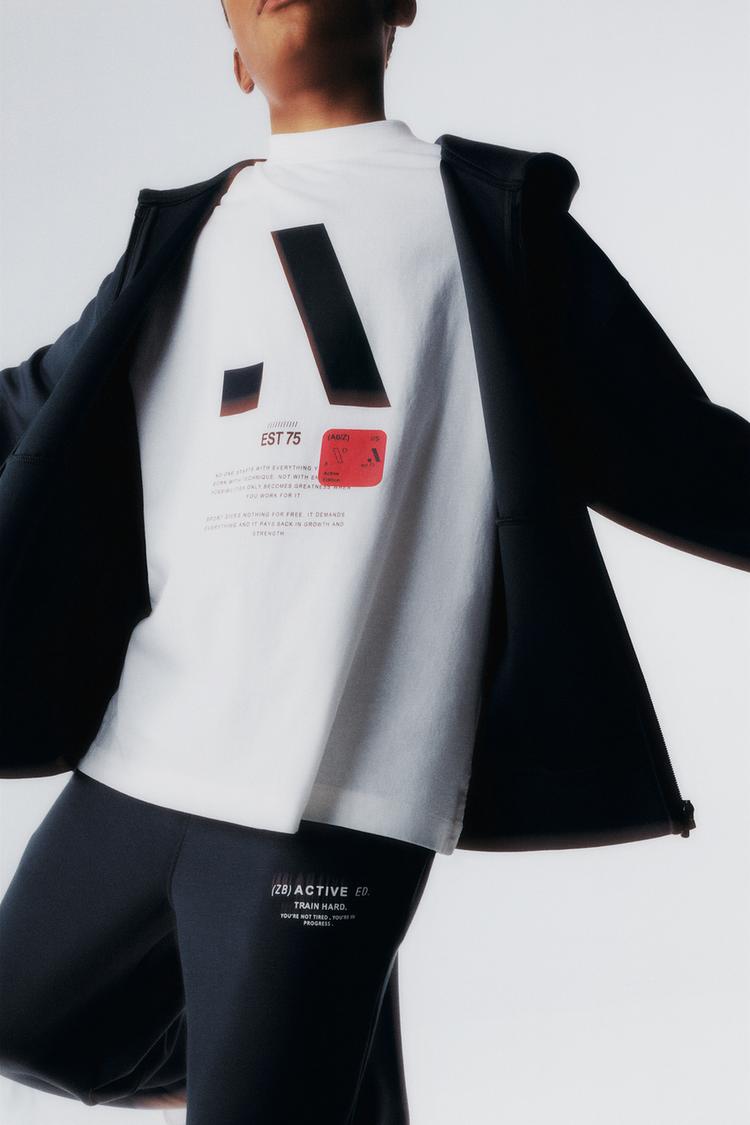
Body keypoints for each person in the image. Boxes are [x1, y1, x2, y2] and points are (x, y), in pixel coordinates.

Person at [1, 2, 748, 1124]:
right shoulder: (185, 238)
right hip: (144, 752)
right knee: (24, 1022)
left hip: (334, 790)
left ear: (399, 8)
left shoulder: (487, 216)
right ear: (234, 58)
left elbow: (677, 449)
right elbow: (32, 408)